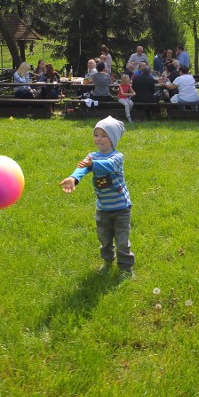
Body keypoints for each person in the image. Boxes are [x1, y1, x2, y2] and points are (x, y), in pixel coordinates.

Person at [59, 116, 134, 278]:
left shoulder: (117, 157)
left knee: (122, 241)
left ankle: (126, 269)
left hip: (121, 208)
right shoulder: (92, 156)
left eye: (104, 135)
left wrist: (92, 164)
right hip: (103, 208)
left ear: (113, 138)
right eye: (96, 134)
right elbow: (82, 169)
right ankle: (107, 262)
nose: (98, 139)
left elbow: (108, 166)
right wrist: (73, 178)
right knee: (105, 239)